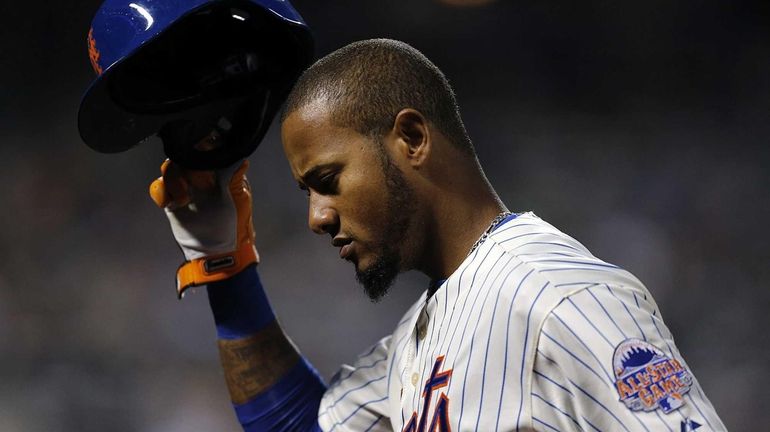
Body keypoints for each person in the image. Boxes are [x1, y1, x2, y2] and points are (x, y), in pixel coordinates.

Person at [149, 39, 726, 431]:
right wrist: (224, 262)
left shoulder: (559, 295)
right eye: (308, 192)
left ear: (412, 139)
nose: (317, 217)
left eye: (328, 181)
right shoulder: (416, 338)